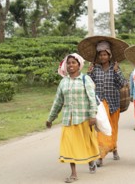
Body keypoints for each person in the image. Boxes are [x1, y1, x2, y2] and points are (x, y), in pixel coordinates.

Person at [46, 53, 100, 183]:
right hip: (68, 120)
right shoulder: (63, 82)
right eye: (68, 63)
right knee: (69, 146)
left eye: (73, 63)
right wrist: (50, 118)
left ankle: (91, 161)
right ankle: (73, 173)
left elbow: (92, 98)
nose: (70, 65)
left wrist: (93, 115)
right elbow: (58, 102)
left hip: (84, 118)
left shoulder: (85, 79)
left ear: (79, 65)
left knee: (86, 144)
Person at [87, 40, 127, 167]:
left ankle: (114, 148)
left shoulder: (115, 68)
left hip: (114, 103)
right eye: (100, 55)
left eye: (105, 54)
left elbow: (122, 84)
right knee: (101, 129)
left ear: (109, 55)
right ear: (98, 56)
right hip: (100, 104)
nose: (102, 57)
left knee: (113, 128)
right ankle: (101, 155)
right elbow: (88, 84)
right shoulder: (95, 69)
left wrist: (117, 71)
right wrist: (88, 72)